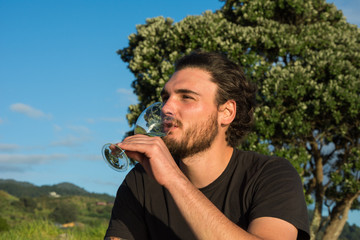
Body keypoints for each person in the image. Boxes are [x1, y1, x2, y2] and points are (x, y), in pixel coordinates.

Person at [104, 51, 310, 240]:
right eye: (166, 97)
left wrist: (174, 179)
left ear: (227, 112)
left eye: (187, 97)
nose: (166, 108)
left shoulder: (271, 175)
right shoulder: (141, 181)